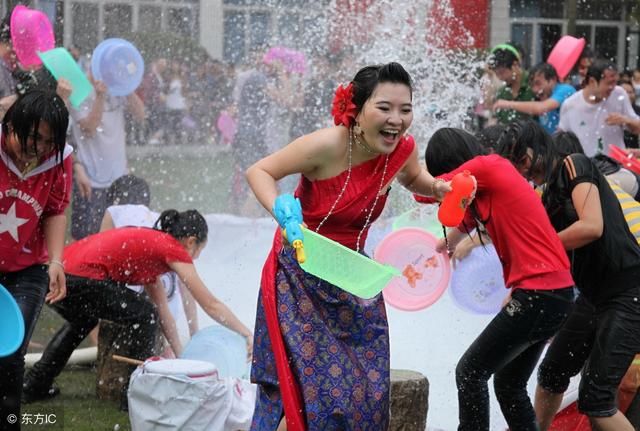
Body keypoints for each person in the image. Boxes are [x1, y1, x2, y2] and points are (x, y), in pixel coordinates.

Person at [245, 62, 450, 430]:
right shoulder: (327, 145)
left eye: (405, 109)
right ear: (356, 110)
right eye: (384, 108)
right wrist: (283, 212)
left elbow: (413, 177)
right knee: (302, 389)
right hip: (299, 273)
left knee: (364, 388)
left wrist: (435, 188)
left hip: (352, 277)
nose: (397, 119)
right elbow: (259, 171)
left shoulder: (401, 150)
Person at [23, 209, 252, 409]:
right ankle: (134, 394)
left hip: (56, 274)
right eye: (199, 251)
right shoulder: (173, 249)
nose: (196, 258)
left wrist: (182, 358)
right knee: (143, 316)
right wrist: (245, 332)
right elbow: (209, 303)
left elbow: (164, 313)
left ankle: (34, 385)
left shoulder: (153, 249)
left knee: (86, 320)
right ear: (191, 241)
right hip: (74, 276)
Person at [423, 127, 574, 431]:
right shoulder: (480, 193)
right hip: (553, 295)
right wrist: (444, 245)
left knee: (470, 372)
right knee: (508, 383)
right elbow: (463, 222)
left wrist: (402, 169)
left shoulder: (487, 166)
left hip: (540, 294)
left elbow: (429, 189)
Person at [495, 120, 640, 431]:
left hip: (629, 290)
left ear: (538, 148)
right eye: (514, 164)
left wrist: (540, 245)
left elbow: (591, 227)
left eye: (522, 158)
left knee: (597, 398)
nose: (522, 169)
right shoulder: (543, 198)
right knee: (551, 374)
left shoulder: (575, 165)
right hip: (593, 296)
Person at [0, 90, 71, 430]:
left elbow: (55, 210)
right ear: (11, 124)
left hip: (26, 271)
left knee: (10, 354)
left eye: (48, 141)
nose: (38, 148)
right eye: (32, 137)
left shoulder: (58, 159)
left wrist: (56, 261)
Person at [70, 73, 145, 240]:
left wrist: (128, 87)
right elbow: (89, 127)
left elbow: (141, 114)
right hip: (90, 179)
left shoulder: (118, 91)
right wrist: (100, 96)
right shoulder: (79, 94)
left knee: (120, 237)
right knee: (86, 237)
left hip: (119, 178)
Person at [558, 59, 640, 157]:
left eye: (615, 83)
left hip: (615, 166)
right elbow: (562, 139)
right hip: (585, 167)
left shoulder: (619, 94)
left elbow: (637, 128)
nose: (612, 87)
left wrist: (626, 120)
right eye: (609, 83)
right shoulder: (570, 105)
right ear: (592, 81)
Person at [493, 62, 575, 134]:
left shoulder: (565, 90)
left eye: (538, 83)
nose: (535, 89)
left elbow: (541, 108)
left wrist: (508, 104)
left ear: (552, 80)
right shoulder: (541, 99)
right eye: (532, 85)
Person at [488, 43, 535, 124]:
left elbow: (541, 108)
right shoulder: (502, 93)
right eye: (497, 74)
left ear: (515, 65)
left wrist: (509, 104)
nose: (500, 77)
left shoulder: (533, 83)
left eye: (502, 72)